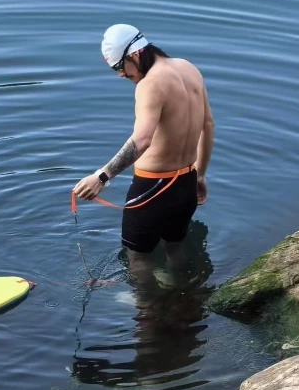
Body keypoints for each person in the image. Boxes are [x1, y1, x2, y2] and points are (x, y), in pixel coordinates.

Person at [73, 24, 214, 292]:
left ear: (135, 54)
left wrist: (102, 176)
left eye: (120, 67)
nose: (121, 75)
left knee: (137, 257)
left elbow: (142, 139)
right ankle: (181, 294)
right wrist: (201, 174)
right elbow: (208, 125)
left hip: (152, 189)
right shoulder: (188, 68)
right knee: (174, 248)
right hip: (186, 182)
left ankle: (148, 310)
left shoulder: (149, 85)